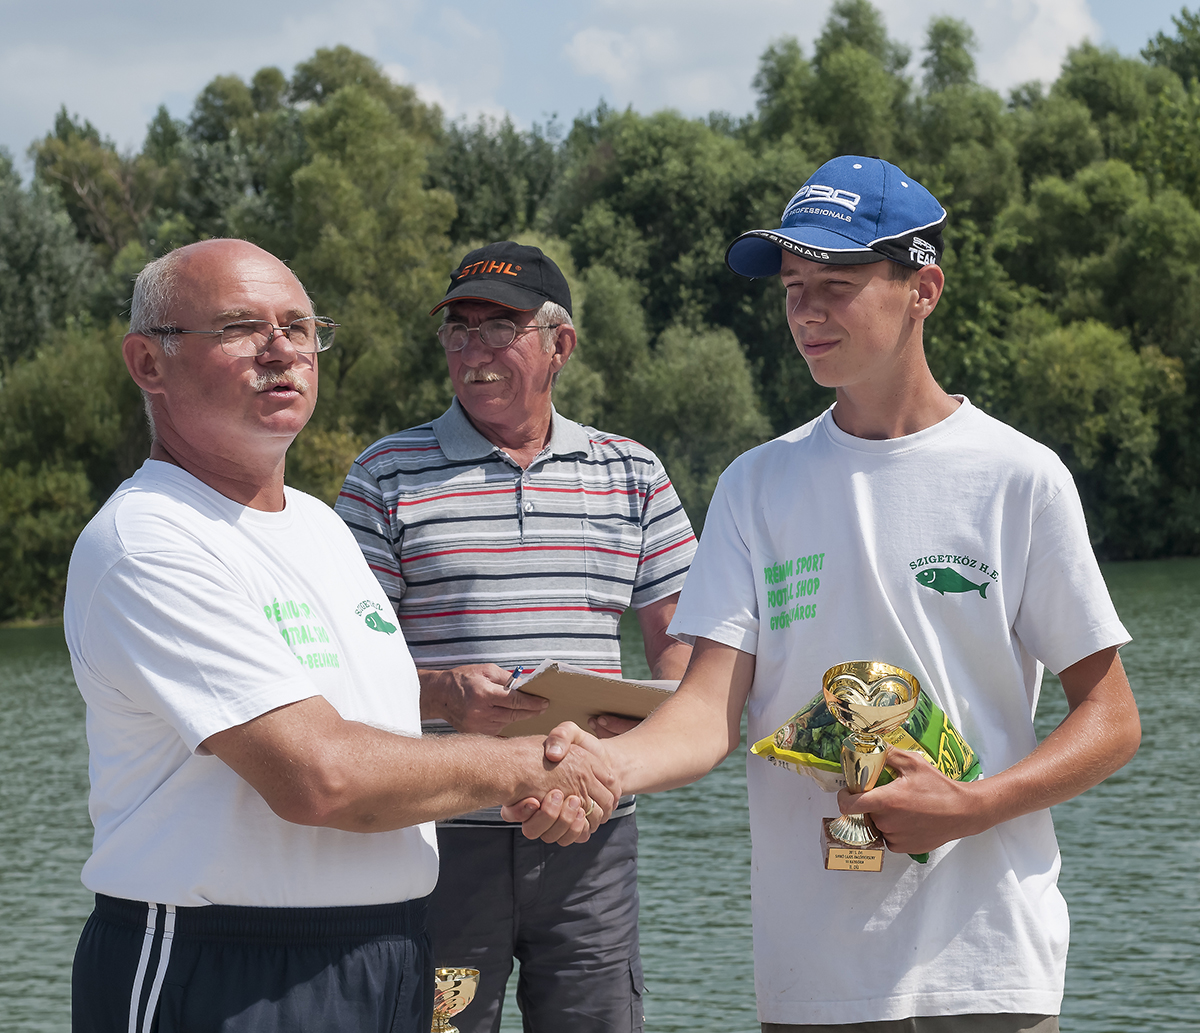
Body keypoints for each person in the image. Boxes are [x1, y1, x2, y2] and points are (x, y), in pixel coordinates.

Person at [512, 156, 1142, 1033]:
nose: (806, 311)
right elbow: (704, 715)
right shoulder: (755, 484)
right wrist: (599, 770)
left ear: (923, 289)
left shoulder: (1020, 476)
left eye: (836, 286)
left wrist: (973, 805)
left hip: (989, 966)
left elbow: (1111, 720)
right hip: (813, 977)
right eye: (792, 288)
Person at [64, 238, 617, 1033]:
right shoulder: (148, 541)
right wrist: (530, 764)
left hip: (390, 952)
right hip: (220, 966)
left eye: (299, 327)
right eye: (241, 327)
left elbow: (378, 730)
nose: (282, 350)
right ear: (149, 363)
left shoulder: (322, 527)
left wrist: (530, 783)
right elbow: (320, 775)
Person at [335, 241, 696, 1033]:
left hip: (592, 827)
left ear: (560, 344)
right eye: (458, 331)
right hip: (436, 836)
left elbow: (685, 658)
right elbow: (343, 671)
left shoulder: (634, 473)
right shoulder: (383, 474)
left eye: (499, 328)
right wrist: (443, 693)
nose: (473, 351)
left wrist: (630, 726)